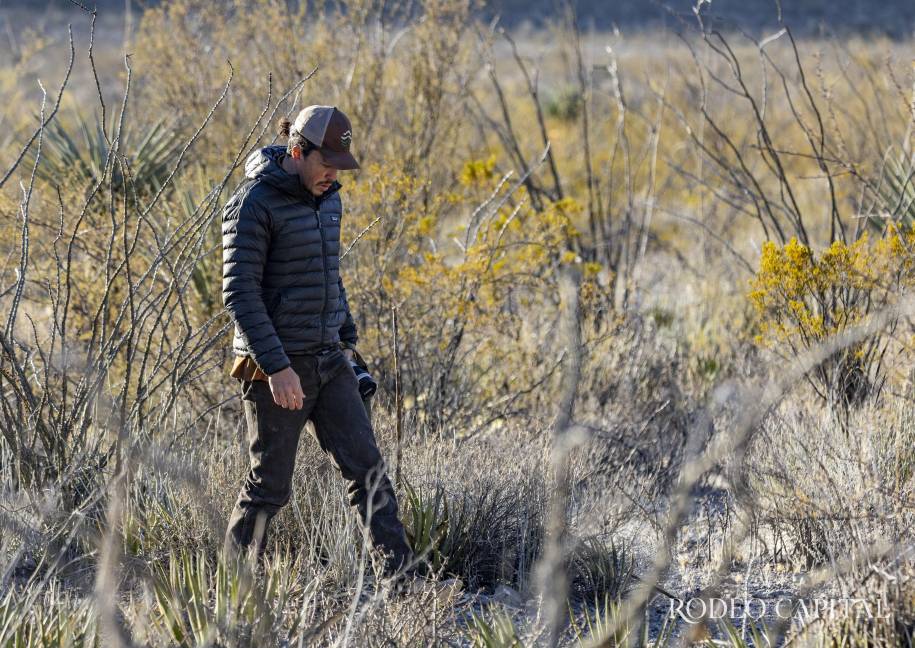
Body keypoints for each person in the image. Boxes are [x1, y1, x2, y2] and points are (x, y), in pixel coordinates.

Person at [221, 105, 413, 576]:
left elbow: (330, 275)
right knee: (270, 488)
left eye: (339, 165)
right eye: (324, 163)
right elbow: (239, 294)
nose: (332, 174)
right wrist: (276, 366)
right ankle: (230, 593)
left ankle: (407, 591)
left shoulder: (329, 199)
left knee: (369, 476)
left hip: (330, 360)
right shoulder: (252, 203)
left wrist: (346, 340)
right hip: (276, 369)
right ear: (295, 150)